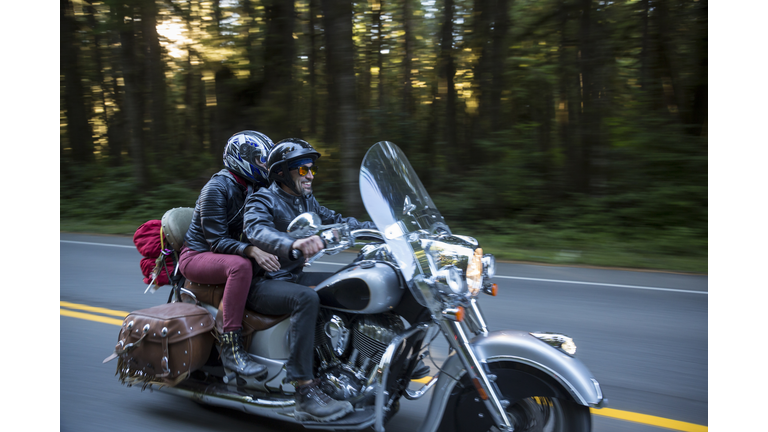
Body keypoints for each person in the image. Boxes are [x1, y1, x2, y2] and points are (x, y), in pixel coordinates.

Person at [243, 138, 376, 422]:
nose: (311, 175)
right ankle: (304, 391)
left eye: (312, 169)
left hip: (293, 275)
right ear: (282, 172)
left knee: (353, 281)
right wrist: (293, 244)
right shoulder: (262, 200)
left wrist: (383, 229)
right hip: (263, 282)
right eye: (303, 169)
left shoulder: (306, 200)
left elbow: (337, 220)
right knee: (307, 298)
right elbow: (257, 231)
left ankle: (355, 365)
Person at [178, 130, 280, 380]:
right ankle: (231, 349)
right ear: (242, 158)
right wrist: (252, 250)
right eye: (261, 160)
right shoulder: (216, 187)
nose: (266, 167)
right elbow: (216, 241)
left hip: (225, 253)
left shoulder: (254, 187)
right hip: (197, 255)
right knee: (241, 266)